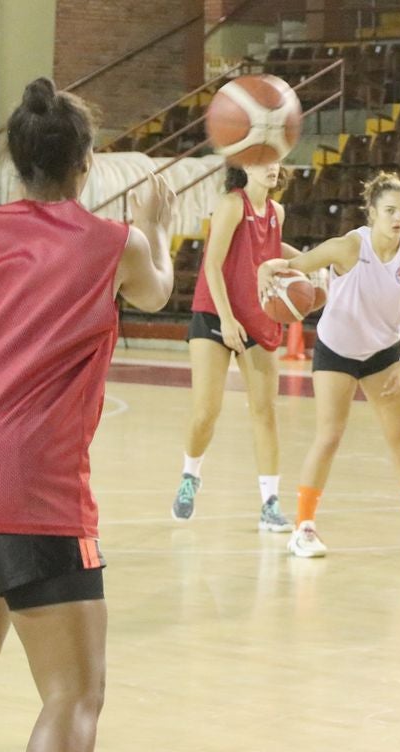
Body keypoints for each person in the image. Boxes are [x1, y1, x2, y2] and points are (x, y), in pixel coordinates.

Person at [0, 77, 176, 752]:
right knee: (74, 692)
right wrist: (159, 231)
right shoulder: (115, 244)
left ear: (17, 163)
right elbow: (155, 294)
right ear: (87, 164)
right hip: (22, 475)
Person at [257, 171, 400, 558]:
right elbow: (296, 263)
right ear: (372, 212)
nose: (398, 218)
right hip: (337, 349)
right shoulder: (348, 247)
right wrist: (267, 267)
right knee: (329, 436)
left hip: (383, 353)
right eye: (390, 210)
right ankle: (303, 528)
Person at [173, 163, 297, 531]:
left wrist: (312, 263)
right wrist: (226, 320)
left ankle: (270, 504)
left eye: (276, 159)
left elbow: (267, 252)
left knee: (265, 411)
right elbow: (212, 264)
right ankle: (190, 475)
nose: (272, 167)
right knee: (206, 411)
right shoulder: (231, 205)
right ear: (245, 166)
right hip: (215, 310)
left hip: (257, 313)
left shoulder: (276, 212)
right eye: (263, 160)